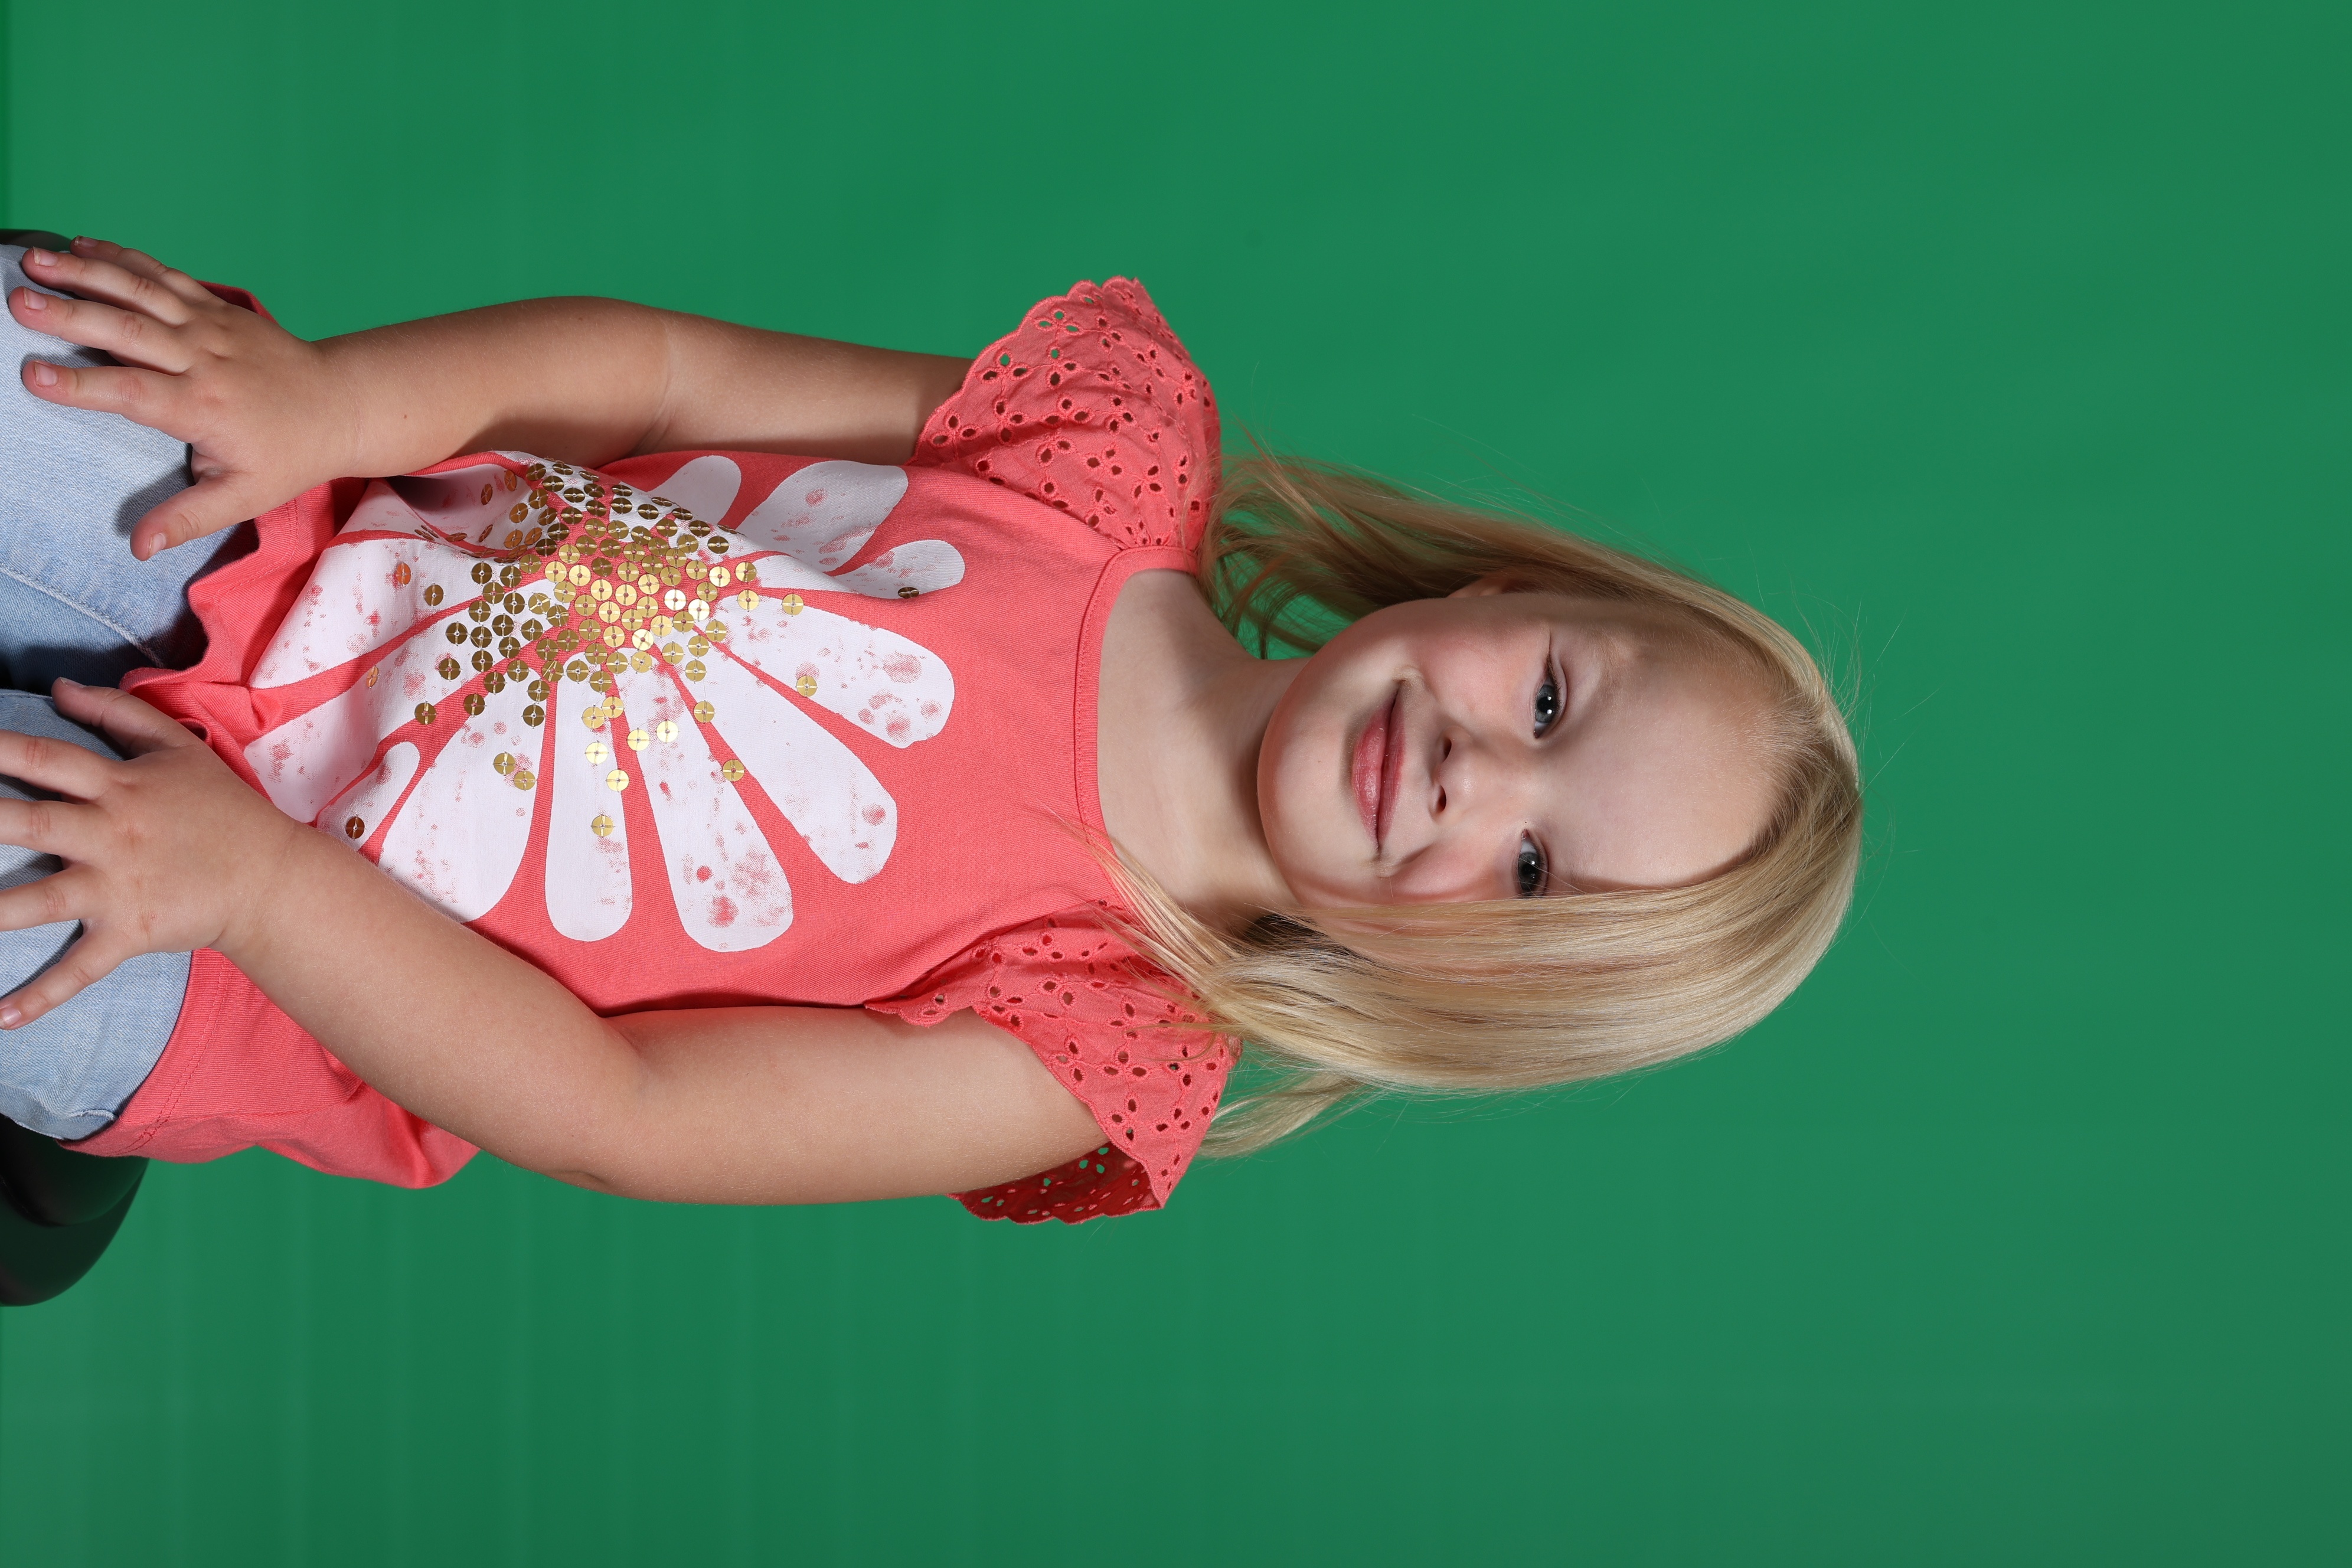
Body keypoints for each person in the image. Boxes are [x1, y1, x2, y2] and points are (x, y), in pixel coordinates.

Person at [0, 236, 1861, 1224]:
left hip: (252, 966)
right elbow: (666, 376)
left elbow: (619, 1111)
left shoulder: (1092, 1037)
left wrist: (254, 890)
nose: (1477, 775)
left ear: (1474, 994)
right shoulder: (1108, 458)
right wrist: (331, 404)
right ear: (1498, 593)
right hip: (287, 545)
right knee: (56, 364)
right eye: (1548, 699)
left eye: (1533, 873)